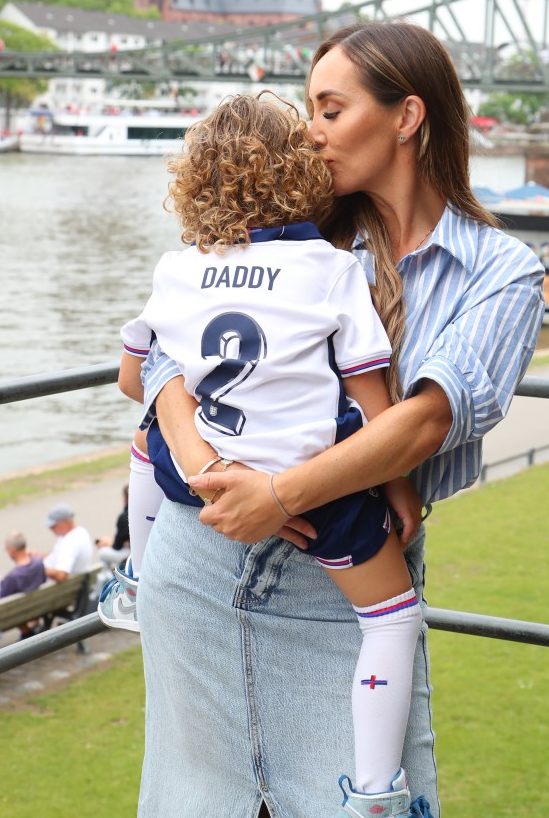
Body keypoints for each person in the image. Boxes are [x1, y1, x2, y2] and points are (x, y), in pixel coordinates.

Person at [133, 21, 545, 818]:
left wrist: (280, 494)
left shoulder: (501, 271)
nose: (308, 132)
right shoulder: (287, 234)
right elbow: (158, 352)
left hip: (345, 595)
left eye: (329, 108)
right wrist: (206, 468)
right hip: (200, 562)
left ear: (406, 116)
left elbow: (424, 423)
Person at [102, 93, 428, 815]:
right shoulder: (333, 268)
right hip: (317, 489)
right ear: (301, 173)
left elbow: (136, 379)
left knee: (145, 435)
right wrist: (397, 487)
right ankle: (375, 791)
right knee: (392, 617)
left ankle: (133, 575)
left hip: (197, 485)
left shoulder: (176, 269)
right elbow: (375, 405)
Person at [0, 532, 47, 640]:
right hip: (36, 607)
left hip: (15, 614)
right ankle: (30, 628)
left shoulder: (13, 577)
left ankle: (26, 631)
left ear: (11, 549)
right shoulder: (39, 564)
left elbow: (1, 600)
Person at [42, 504, 93, 583]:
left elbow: (61, 575)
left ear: (64, 522)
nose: (50, 529)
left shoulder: (71, 542)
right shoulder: (80, 532)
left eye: (53, 526)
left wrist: (38, 569)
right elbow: (57, 556)